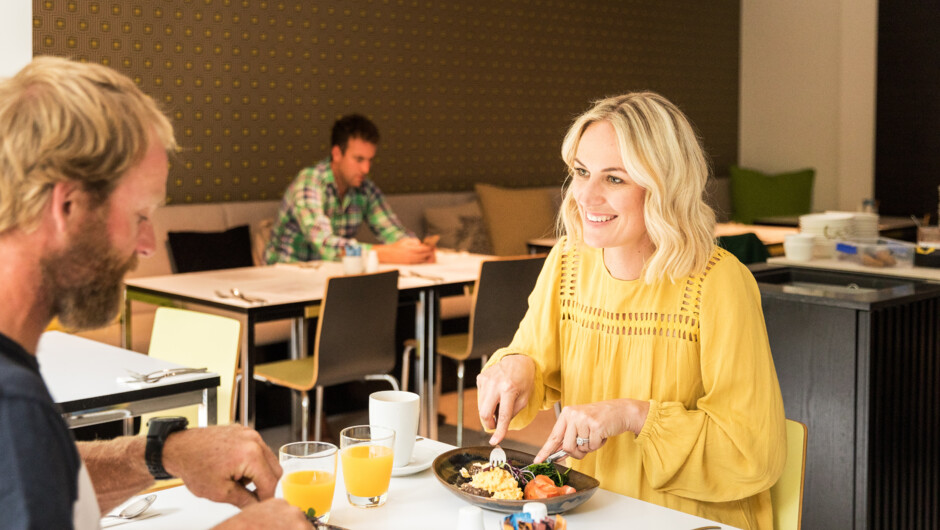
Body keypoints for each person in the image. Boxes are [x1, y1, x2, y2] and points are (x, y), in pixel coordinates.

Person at [0, 57, 309, 528]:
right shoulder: (12, 407)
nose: (147, 245)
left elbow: (35, 479)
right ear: (67, 205)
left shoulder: (18, 415)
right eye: (141, 215)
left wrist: (161, 453)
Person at [476, 93, 787, 529]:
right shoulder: (568, 260)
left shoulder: (719, 283)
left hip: (687, 516)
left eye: (615, 179)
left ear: (664, 185)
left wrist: (633, 414)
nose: (585, 195)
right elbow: (530, 355)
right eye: (581, 172)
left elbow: (752, 451)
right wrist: (515, 367)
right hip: (590, 510)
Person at [264, 113, 435, 264]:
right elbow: (325, 245)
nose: (366, 169)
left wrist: (416, 249)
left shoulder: (364, 188)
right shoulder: (309, 182)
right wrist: (384, 253)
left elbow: (391, 230)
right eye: (359, 159)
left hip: (327, 276)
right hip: (284, 278)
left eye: (370, 160)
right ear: (337, 154)